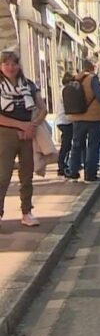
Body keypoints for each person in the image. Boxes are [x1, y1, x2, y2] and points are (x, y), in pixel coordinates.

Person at [0, 51, 46, 227]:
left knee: (27, 175)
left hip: (27, 134)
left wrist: (32, 126)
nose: (10, 67)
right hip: (5, 135)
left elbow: (42, 109)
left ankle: (27, 212)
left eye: (14, 64)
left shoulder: (28, 84)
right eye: (6, 64)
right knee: (3, 176)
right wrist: (21, 125)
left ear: (19, 66)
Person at [66, 60, 100, 183]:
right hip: (94, 118)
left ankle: (73, 172)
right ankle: (90, 175)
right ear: (94, 67)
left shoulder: (76, 79)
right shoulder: (93, 79)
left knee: (77, 145)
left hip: (78, 117)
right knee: (93, 147)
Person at [56, 73, 75, 177]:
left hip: (64, 120)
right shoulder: (65, 90)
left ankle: (63, 165)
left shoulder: (63, 90)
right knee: (66, 145)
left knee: (67, 144)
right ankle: (62, 166)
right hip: (65, 121)